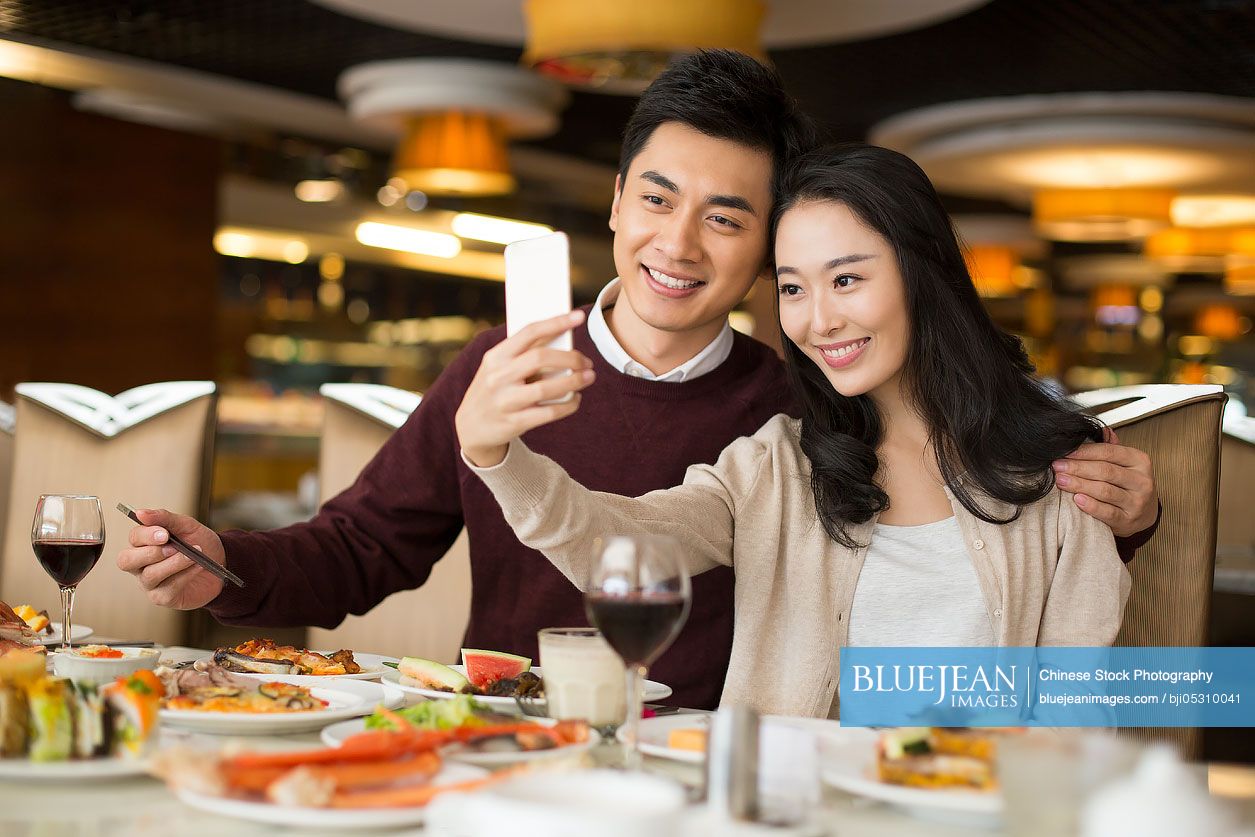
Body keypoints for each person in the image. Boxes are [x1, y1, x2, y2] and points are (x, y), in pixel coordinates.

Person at [117, 53, 1156, 711]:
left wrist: (1116, 512)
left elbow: (969, 582)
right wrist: (229, 568)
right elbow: (360, 548)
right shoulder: (501, 369)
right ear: (614, 203)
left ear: (760, 254)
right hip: (510, 731)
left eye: (728, 218)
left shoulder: (803, 411)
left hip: (700, 761)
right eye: (657, 199)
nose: (680, 243)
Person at [455, 144, 1133, 718]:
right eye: (792, 288)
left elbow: (1079, 713)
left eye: (845, 279)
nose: (818, 320)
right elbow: (611, 540)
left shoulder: (1058, 471)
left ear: (921, 273)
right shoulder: (777, 466)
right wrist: (493, 452)